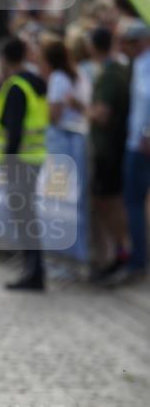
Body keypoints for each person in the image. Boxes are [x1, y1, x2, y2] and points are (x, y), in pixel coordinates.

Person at [0, 36, 49, 291]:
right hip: (34, 158)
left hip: (20, 161)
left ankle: (33, 273)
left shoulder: (16, 87)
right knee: (28, 216)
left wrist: (8, 161)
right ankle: (34, 270)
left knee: (25, 218)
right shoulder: (36, 83)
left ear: (5, 59)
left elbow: (13, 130)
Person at [86, 27, 130, 279]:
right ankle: (120, 252)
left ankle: (121, 254)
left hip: (109, 149)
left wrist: (81, 107)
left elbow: (102, 116)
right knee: (110, 201)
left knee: (109, 202)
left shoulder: (111, 74)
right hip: (114, 146)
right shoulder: (119, 70)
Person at [115, 21, 150, 283]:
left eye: (131, 42)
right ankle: (137, 258)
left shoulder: (145, 63)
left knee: (134, 202)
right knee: (133, 202)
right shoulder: (138, 63)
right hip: (135, 141)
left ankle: (138, 260)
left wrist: (147, 132)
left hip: (141, 143)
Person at [40, 38, 92, 131]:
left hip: (64, 133)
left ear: (48, 61)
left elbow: (54, 115)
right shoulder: (80, 73)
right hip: (82, 129)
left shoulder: (58, 78)